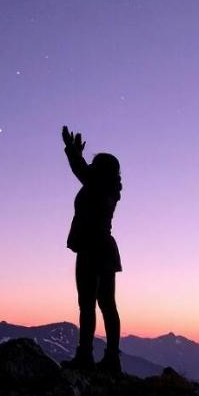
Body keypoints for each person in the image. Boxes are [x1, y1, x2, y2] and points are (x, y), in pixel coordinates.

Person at [60, 126, 123, 373]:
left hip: (91, 248)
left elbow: (81, 170)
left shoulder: (97, 185)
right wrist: (75, 154)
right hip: (105, 248)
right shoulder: (109, 188)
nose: (91, 166)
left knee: (87, 305)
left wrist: (72, 152)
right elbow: (83, 170)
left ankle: (85, 357)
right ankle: (112, 359)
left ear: (101, 170)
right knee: (107, 304)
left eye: (95, 164)